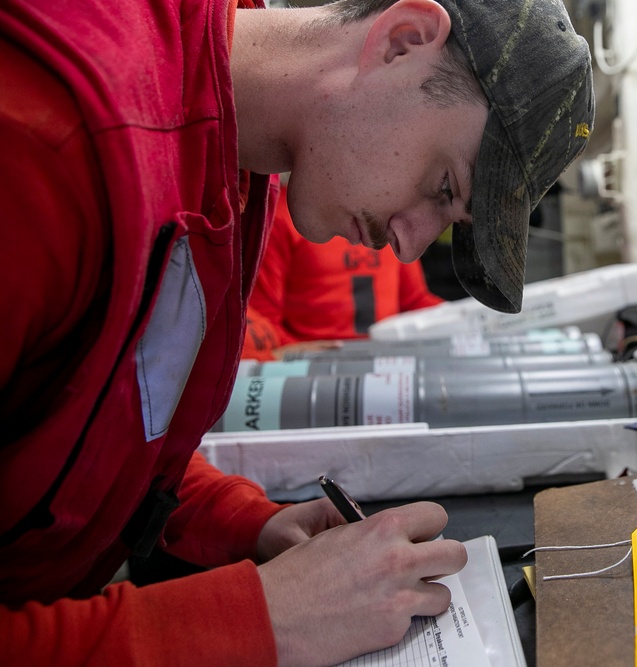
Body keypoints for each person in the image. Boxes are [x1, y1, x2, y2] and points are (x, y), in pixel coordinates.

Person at [0, 0, 594, 664]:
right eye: (441, 184)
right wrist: (259, 619)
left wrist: (248, 520)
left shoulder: (230, 161)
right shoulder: (46, 138)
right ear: (403, 40)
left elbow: (106, 431)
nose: (408, 246)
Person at [244, 181, 444, 361]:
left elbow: (415, 301)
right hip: (312, 370)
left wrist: (465, 319)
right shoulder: (281, 218)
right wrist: (303, 355)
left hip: (385, 359)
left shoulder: (390, 217)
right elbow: (264, 325)